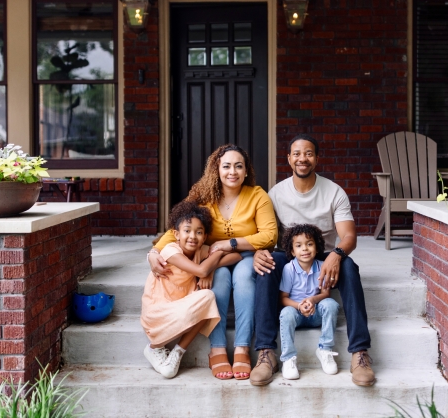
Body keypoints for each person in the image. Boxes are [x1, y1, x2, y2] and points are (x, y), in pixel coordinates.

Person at [250, 134, 376, 387]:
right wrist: (258, 250)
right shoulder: (276, 193)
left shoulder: (334, 192)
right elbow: (265, 232)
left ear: (317, 159)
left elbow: (349, 236)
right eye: (296, 153)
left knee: (350, 267)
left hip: (327, 253)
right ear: (288, 159)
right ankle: (266, 353)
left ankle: (359, 353)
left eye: (308, 153)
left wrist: (337, 255)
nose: (302, 158)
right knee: (267, 266)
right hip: (290, 253)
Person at [148, 144, 278, 380]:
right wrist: (154, 252)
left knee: (242, 277)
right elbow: (178, 225)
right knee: (218, 279)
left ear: (246, 170)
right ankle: (217, 349)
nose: (232, 172)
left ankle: (242, 348)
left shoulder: (257, 195)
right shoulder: (204, 195)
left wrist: (232, 243)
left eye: (239, 166)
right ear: (216, 169)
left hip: (245, 254)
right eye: (226, 166)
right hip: (212, 258)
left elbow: (269, 235)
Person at [141, 201, 237, 379]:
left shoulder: (200, 252)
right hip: (158, 313)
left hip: (181, 309)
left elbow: (235, 255)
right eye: (187, 231)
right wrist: (208, 266)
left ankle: (177, 353)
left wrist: (213, 263)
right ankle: (154, 348)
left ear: (205, 236)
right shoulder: (170, 250)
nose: (193, 236)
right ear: (176, 234)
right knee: (207, 296)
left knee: (207, 299)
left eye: (199, 232)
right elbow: (201, 271)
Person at [278, 224, 340, 380]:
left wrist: (313, 299)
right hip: (296, 314)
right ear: (292, 251)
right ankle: (288, 358)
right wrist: (299, 306)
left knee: (331, 304)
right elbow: (283, 298)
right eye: (298, 246)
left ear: (317, 247)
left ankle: (325, 350)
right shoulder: (289, 269)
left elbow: (326, 293)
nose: (304, 249)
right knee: (285, 314)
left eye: (309, 244)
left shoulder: (322, 266)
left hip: (315, 312)